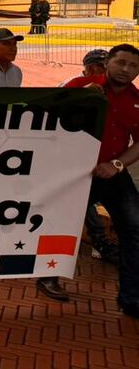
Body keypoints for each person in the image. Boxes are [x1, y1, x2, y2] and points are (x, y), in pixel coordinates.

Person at [63, 44, 139, 316]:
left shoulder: (136, 100)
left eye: (133, 66)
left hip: (111, 174)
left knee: (134, 230)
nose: (126, 69)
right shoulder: (82, 84)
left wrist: (117, 165)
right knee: (56, 225)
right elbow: (47, 114)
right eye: (121, 62)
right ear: (108, 62)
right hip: (71, 174)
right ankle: (48, 276)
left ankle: (131, 297)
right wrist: (77, 98)